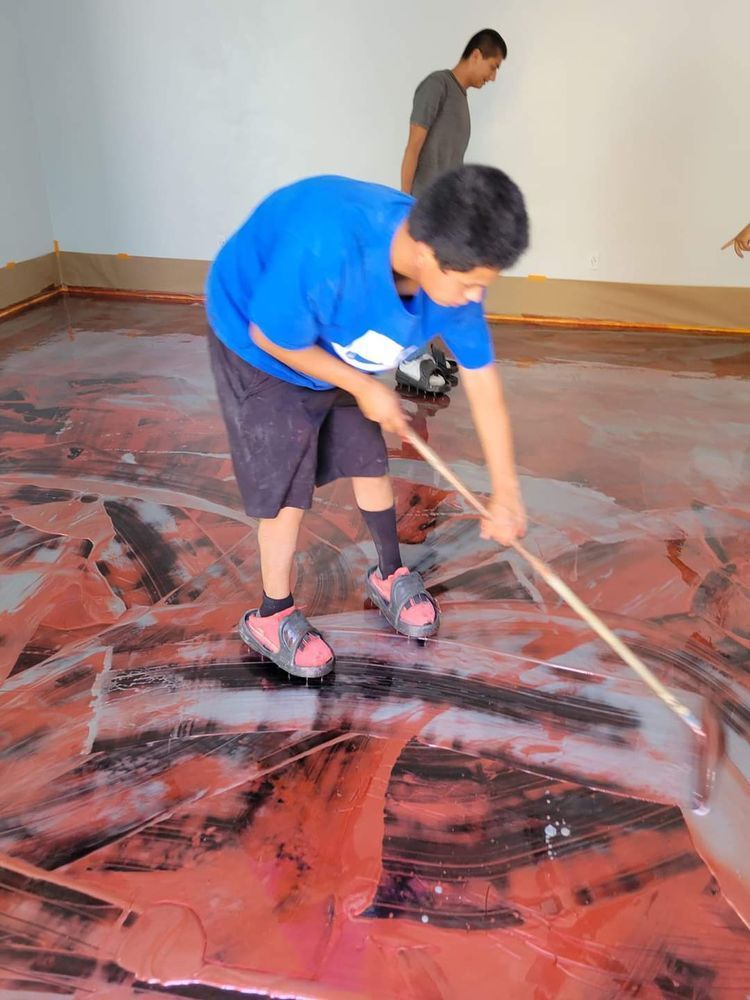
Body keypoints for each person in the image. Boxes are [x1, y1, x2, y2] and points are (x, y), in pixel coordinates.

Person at [205, 165, 529, 679]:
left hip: (334, 338)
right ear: (426, 254)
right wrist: (360, 385)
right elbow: (272, 336)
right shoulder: (328, 251)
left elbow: (484, 383)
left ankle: (388, 572)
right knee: (286, 485)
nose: (474, 298)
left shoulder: (454, 276)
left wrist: (506, 493)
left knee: (367, 456)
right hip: (259, 340)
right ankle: (272, 614)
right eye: (468, 284)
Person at [397, 29, 507, 394]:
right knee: (418, 281)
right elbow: (413, 147)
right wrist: (406, 203)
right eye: (492, 67)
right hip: (422, 207)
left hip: (444, 211)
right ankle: (409, 359)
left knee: (442, 285)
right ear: (476, 55)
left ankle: (424, 349)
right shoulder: (437, 86)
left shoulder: (460, 99)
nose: (492, 77)